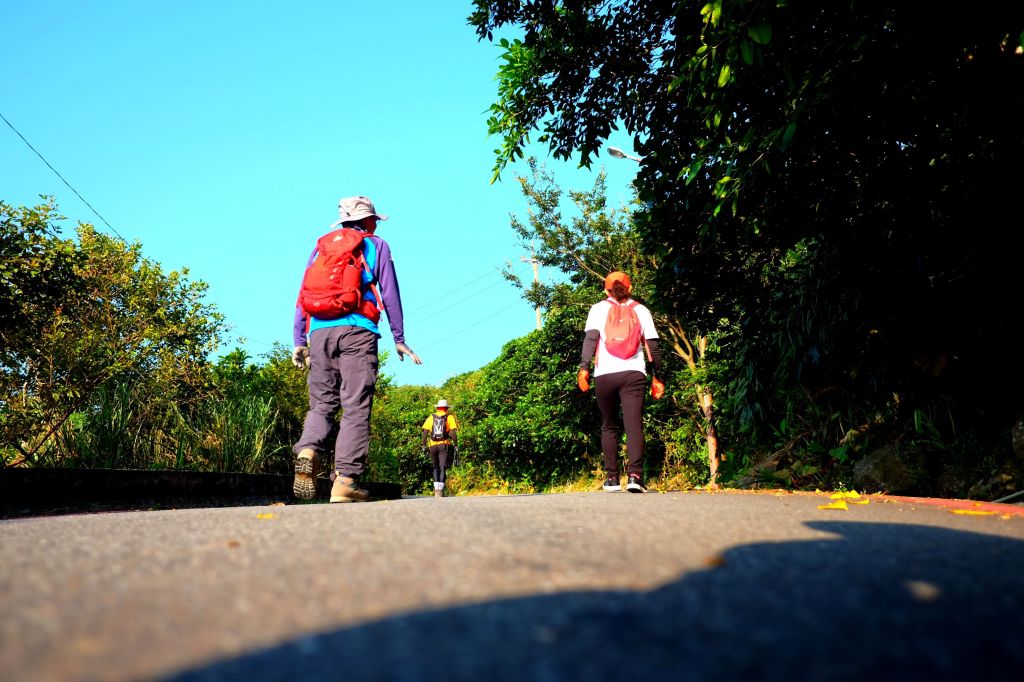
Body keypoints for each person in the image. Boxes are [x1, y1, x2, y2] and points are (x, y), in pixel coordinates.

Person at [291, 195, 422, 503]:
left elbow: (303, 293)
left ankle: (309, 449)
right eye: (374, 219)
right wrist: (399, 338)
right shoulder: (377, 246)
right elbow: (390, 293)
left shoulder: (320, 246)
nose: (376, 224)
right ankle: (346, 481)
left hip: (319, 333)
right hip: (358, 332)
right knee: (355, 405)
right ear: (366, 220)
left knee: (321, 405)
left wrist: (299, 340)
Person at [577, 271, 664, 493]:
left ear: (606, 289)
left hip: (604, 374)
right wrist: (658, 377)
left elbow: (590, 340)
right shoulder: (641, 310)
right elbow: (653, 347)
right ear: (630, 288)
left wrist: (584, 369)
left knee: (609, 425)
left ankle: (612, 479)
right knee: (633, 424)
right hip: (633, 373)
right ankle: (635, 476)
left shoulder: (598, 309)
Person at [421, 399, 459, 498]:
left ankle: (436, 490)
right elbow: (453, 433)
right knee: (442, 467)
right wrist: (456, 445)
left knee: (435, 467)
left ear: (437, 408)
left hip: (432, 446)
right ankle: (440, 491)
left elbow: (425, 432)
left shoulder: (431, 417)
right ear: (446, 408)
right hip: (443, 445)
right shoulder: (449, 417)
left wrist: (424, 445)